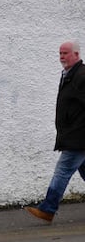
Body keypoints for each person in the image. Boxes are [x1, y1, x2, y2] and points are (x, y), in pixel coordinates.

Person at [25, 40, 85, 222]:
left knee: (63, 169)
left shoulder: (82, 76)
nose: (61, 56)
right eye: (60, 53)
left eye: (65, 53)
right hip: (74, 134)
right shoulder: (69, 75)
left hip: (79, 136)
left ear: (76, 54)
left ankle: (48, 208)